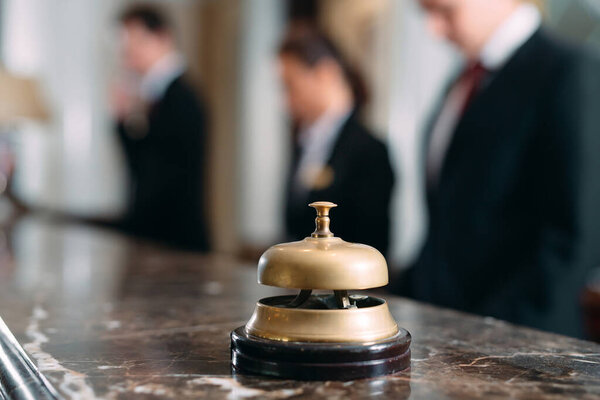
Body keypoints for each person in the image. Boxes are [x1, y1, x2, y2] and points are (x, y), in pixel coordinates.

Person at [392, 0, 600, 337]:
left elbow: (574, 239)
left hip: (520, 350)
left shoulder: (570, 71)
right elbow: (450, 230)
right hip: (441, 334)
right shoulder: (461, 82)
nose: (433, 30)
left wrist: (483, 337)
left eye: (444, 11)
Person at [279, 26, 395, 255]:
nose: (284, 101)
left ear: (325, 74)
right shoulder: (303, 143)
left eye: (290, 85)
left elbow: (370, 245)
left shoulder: (369, 150)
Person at [112, 4, 209, 251]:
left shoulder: (181, 98)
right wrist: (123, 123)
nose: (130, 52)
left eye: (138, 41)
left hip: (176, 240)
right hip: (155, 237)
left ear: (163, 38)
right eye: (126, 45)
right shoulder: (153, 96)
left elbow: (162, 178)